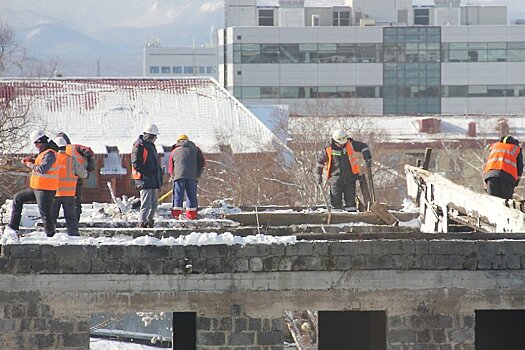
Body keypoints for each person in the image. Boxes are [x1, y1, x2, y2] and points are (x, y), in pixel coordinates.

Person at [5, 130, 59, 237]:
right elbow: (40, 163)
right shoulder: (44, 152)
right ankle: (13, 227)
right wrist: (32, 160)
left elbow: (43, 168)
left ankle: (50, 236)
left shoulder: (50, 154)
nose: (35, 146)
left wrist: (30, 165)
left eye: (36, 144)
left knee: (45, 214)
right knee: (18, 198)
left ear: (40, 141)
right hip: (37, 188)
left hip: (45, 189)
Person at [314, 129, 372, 211]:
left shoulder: (350, 144)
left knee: (351, 203)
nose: (342, 145)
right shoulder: (328, 149)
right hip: (335, 179)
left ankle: (352, 219)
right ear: (335, 141)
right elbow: (320, 162)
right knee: (335, 203)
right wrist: (318, 175)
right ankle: (336, 219)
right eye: (340, 143)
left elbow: (364, 146)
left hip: (350, 177)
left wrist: (367, 157)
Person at [50, 137, 88, 236]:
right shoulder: (72, 159)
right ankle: (73, 235)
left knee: (52, 217)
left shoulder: (51, 159)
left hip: (54, 193)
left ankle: (50, 235)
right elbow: (83, 174)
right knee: (71, 218)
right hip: (69, 194)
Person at [55, 132, 96, 222]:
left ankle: (52, 224)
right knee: (75, 202)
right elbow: (88, 152)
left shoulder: (54, 152)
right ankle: (75, 222)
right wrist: (90, 167)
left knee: (55, 203)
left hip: (57, 181)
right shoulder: (75, 147)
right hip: (76, 177)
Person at [131, 123, 163, 228]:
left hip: (153, 180)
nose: (156, 138)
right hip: (145, 180)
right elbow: (136, 163)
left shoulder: (150, 147)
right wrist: (147, 173)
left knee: (154, 205)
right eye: (154, 136)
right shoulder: (139, 146)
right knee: (145, 204)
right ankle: (142, 222)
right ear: (150, 136)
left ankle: (149, 221)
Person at [168, 134, 205, 220]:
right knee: (191, 195)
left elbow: (170, 167)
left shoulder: (174, 151)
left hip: (178, 177)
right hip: (192, 177)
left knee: (178, 195)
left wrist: (172, 175)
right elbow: (202, 163)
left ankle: (177, 215)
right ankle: (191, 215)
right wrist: (197, 175)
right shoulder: (196, 150)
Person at [483, 135, 523, 199]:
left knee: (492, 200)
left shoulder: (494, 146)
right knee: (506, 202)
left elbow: (487, 162)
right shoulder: (516, 148)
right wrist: (516, 183)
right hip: (508, 177)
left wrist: (485, 181)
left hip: (491, 176)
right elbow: (520, 167)